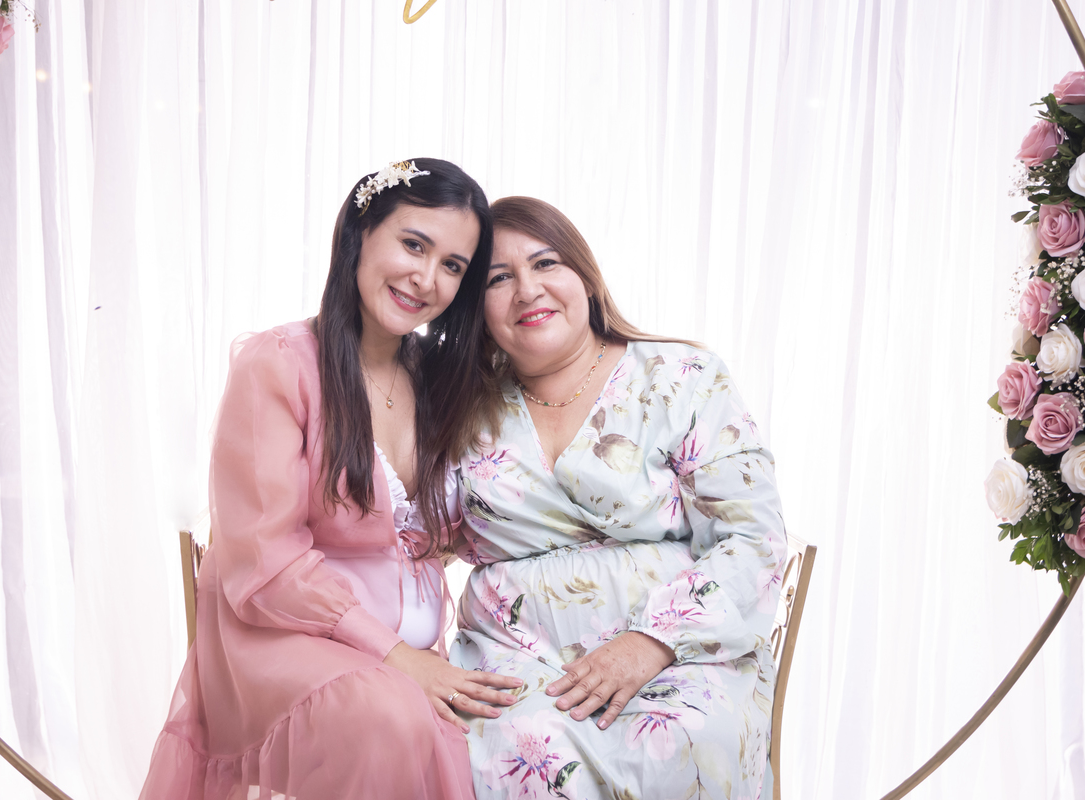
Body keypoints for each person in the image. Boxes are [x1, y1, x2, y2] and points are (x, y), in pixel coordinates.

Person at [139, 159, 522, 800]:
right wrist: (397, 658)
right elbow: (265, 564)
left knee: (502, 731)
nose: (427, 279)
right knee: (391, 715)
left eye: (453, 266)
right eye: (414, 245)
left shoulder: (436, 377)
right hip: (280, 640)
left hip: (403, 656)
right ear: (360, 232)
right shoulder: (280, 365)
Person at [449, 196, 787, 800]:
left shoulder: (682, 376)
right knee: (511, 751)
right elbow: (407, 533)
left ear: (585, 276)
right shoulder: (460, 410)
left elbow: (753, 540)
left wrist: (652, 642)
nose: (527, 290)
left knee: (682, 742)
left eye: (545, 263)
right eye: (498, 278)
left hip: (681, 653)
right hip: (515, 657)